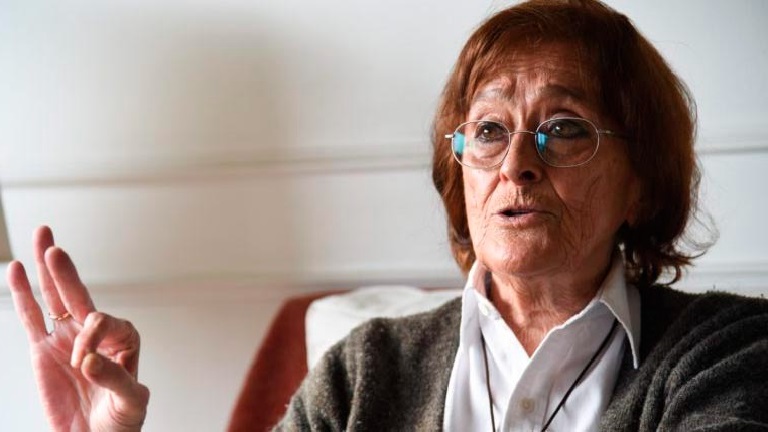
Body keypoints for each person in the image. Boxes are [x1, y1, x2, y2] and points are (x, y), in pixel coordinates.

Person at [8, 0, 768, 431]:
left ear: (641, 183)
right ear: (459, 173)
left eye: (564, 128)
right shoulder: (362, 370)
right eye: (489, 131)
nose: (516, 164)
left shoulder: (726, 352)